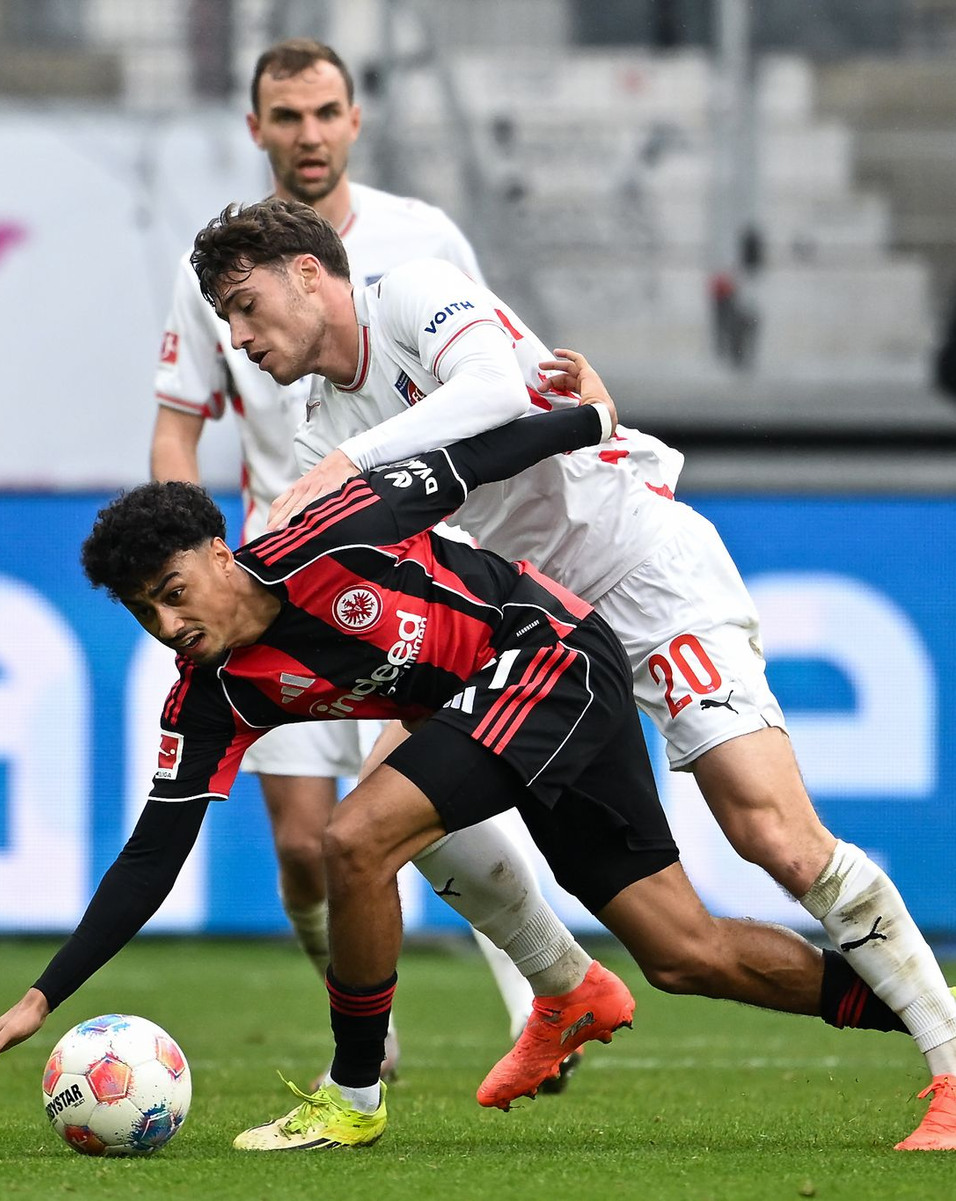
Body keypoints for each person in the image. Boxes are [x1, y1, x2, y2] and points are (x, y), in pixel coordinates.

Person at [0, 366, 914, 1155]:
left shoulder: (327, 535)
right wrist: (39, 997)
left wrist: (591, 420)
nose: (169, 623)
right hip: (505, 707)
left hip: (555, 651)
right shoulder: (212, 698)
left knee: (354, 840)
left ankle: (354, 1096)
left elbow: (467, 464)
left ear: (220, 553)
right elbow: (150, 857)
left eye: (173, 591)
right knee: (684, 953)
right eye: (144, 612)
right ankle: (922, 1014)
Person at [187, 196, 956, 1151]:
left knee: (774, 835)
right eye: (224, 316)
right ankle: (562, 986)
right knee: (638, 933)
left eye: (244, 304)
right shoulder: (315, 435)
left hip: (642, 571)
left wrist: (354, 460)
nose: (237, 333)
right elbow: (322, 554)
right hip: (530, 634)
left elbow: (497, 395)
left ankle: (950, 1051)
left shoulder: (409, 297)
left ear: (309, 274)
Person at [150, 37, 564, 1074]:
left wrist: (565, 404)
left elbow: (490, 366)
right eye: (286, 118)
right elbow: (176, 426)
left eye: (324, 112)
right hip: (276, 580)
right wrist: (188, 569)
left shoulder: (419, 239)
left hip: (411, 556)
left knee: (407, 795)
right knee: (303, 848)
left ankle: (535, 1008)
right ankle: (369, 1032)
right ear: (257, 131)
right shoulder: (211, 277)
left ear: (354, 119)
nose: (308, 135)